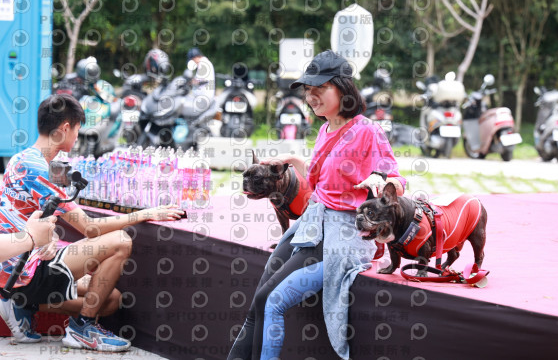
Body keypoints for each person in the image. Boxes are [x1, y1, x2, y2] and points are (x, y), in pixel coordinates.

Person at [227, 50, 406, 360]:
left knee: (272, 301)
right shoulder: (324, 129)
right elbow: (321, 181)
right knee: (259, 300)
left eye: (320, 88)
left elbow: (398, 181)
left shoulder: (368, 130)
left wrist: (379, 181)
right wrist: (291, 160)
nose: (311, 96)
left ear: (343, 89)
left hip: (343, 233)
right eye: (308, 89)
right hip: (313, 224)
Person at [0, 94, 183, 351]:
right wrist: (145, 213)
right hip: (25, 271)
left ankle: (21, 304)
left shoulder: (21, 159)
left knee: (111, 300)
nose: (78, 137)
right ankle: (81, 329)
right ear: (65, 128)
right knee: (120, 241)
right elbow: (90, 228)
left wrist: (48, 242)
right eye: (77, 130)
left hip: (16, 268)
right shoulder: (39, 170)